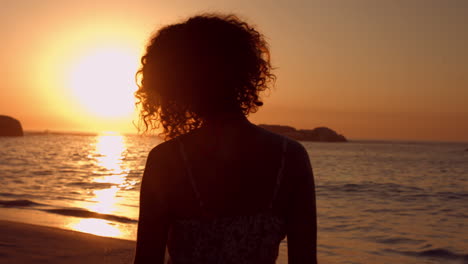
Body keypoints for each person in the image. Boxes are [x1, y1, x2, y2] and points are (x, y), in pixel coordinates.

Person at [133, 14, 317, 264]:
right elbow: (305, 259)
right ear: (243, 72)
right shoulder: (290, 156)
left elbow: (147, 259)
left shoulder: (166, 161)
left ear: (173, 84)